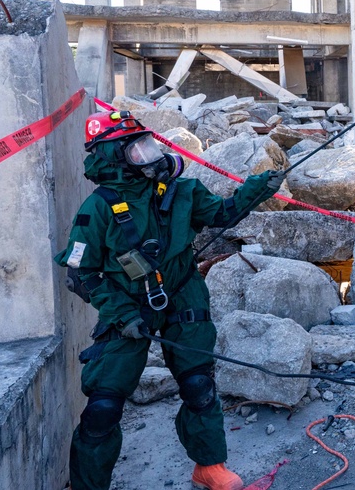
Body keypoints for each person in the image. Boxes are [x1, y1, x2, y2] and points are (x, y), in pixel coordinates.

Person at [54, 110, 285, 490]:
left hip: (182, 295)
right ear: (112, 156)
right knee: (103, 407)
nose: (150, 155)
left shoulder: (183, 192)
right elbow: (80, 274)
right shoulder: (96, 209)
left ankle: (209, 467)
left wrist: (259, 188)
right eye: (137, 150)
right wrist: (122, 314)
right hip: (125, 309)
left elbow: (223, 214)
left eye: (149, 145)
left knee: (199, 385)